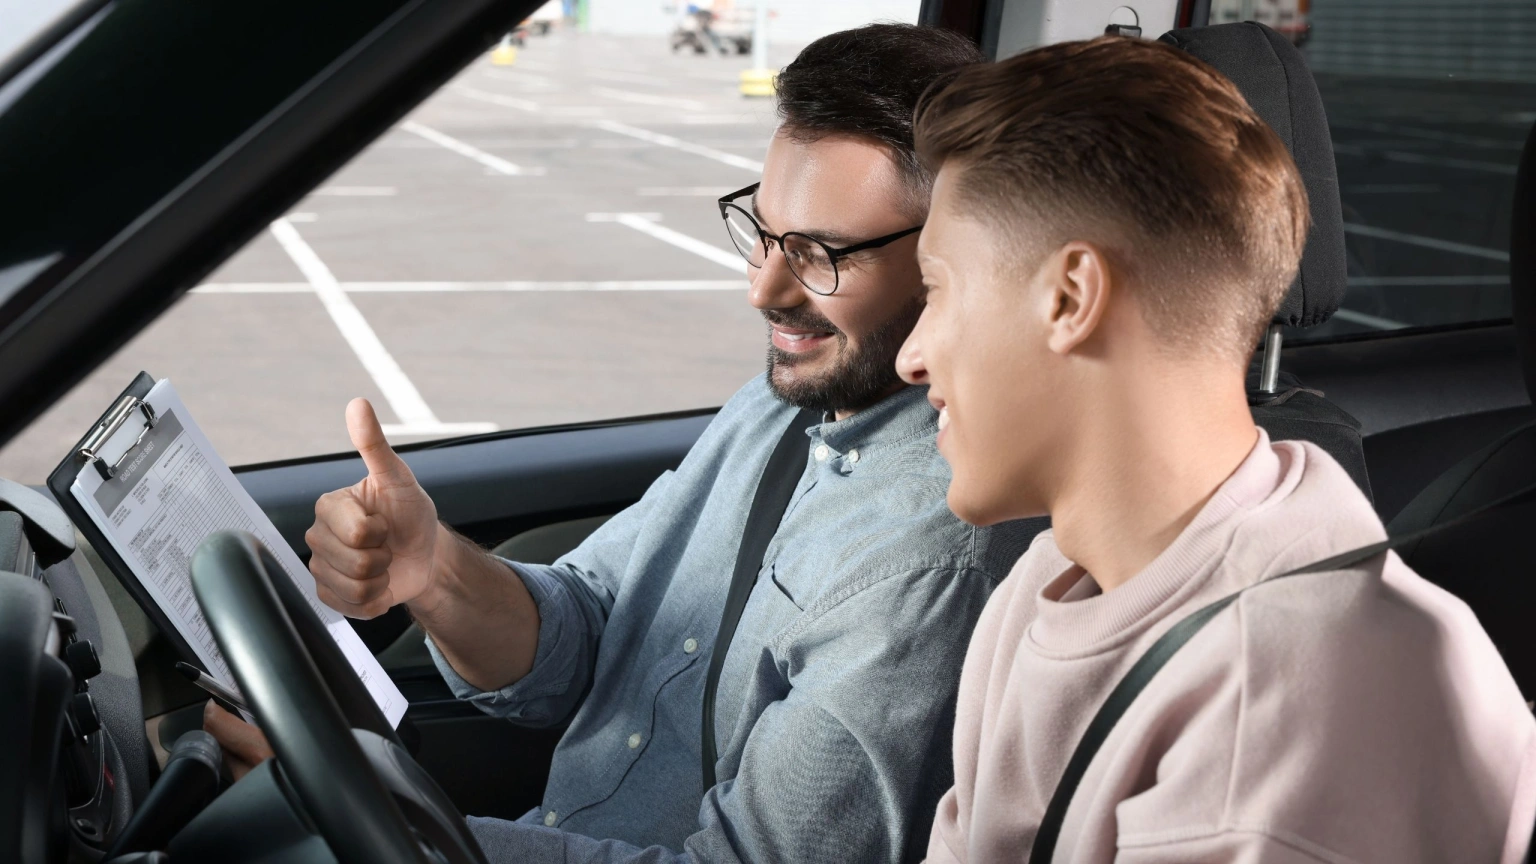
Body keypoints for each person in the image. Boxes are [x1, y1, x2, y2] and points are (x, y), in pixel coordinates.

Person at [206, 24, 1045, 864]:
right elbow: (590, 625)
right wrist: (433, 571)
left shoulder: (931, 559)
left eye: (820, 255)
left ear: (948, 256)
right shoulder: (778, 407)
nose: (764, 288)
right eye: (763, 231)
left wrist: (399, 832)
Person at [896, 36, 1536, 862]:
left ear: (1070, 297)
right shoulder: (1045, 581)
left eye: (936, 290)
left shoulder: (1285, 718)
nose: (911, 356)